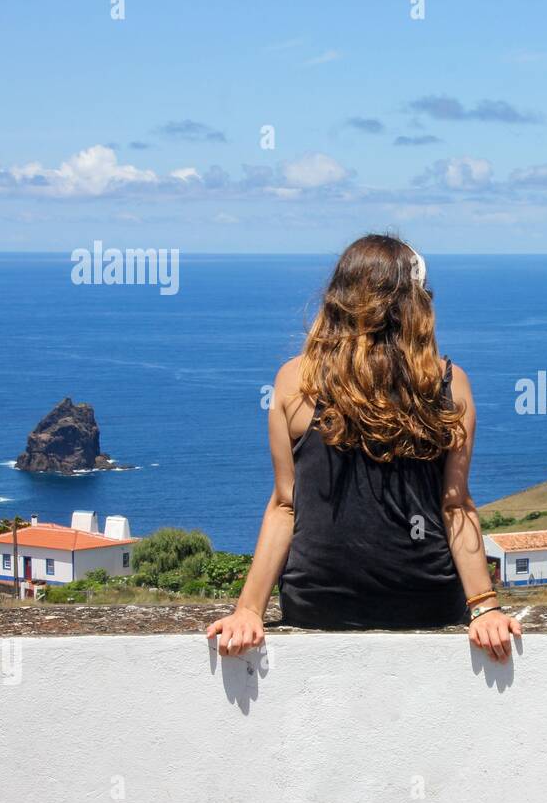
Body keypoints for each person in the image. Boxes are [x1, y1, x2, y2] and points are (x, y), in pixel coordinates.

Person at [206, 234, 521, 661]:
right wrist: (483, 607)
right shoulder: (447, 383)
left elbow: (285, 505)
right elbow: (455, 506)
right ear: (413, 304)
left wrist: (249, 610)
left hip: (317, 603)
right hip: (426, 601)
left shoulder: (295, 382)